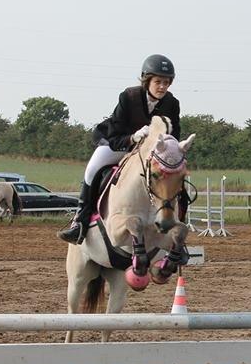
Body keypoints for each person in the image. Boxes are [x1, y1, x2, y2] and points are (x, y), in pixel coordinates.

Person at [58, 54, 182, 243]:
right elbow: (115, 135)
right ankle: (80, 221)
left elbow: (174, 136)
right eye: (158, 82)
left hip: (150, 152)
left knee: (175, 173)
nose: (162, 87)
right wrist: (133, 138)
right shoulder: (128, 97)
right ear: (147, 80)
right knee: (92, 169)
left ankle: (177, 224)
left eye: (166, 83)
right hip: (119, 142)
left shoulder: (172, 103)